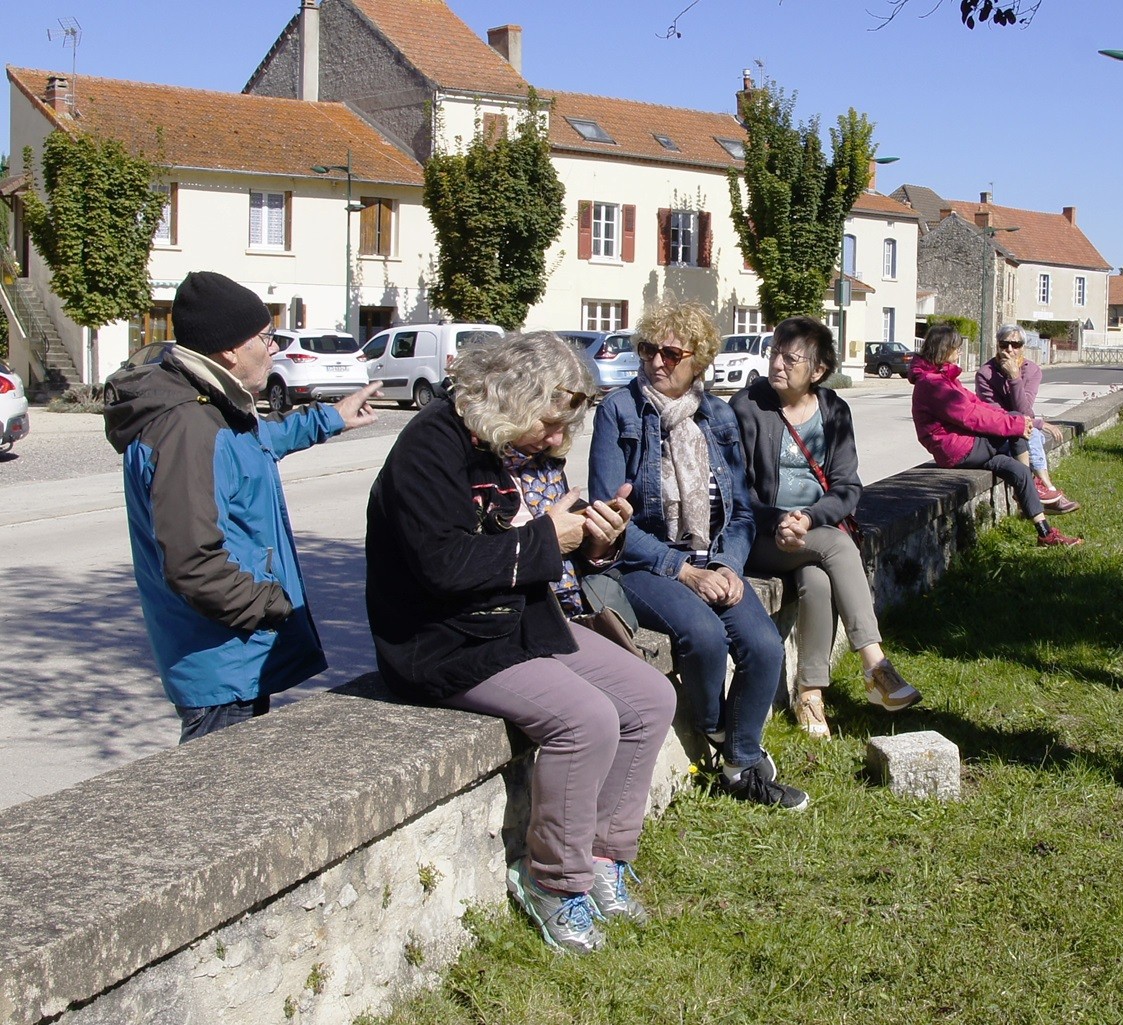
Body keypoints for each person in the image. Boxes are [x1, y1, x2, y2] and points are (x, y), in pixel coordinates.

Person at [366, 332, 677, 954]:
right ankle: (555, 885)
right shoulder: (429, 449)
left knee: (647, 699)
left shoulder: (502, 442)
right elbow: (443, 566)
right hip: (442, 643)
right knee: (586, 719)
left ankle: (602, 858)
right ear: (509, 398)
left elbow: (538, 548)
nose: (560, 440)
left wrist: (594, 541)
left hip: (513, 621)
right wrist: (547, 541)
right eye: (552, 424)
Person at [103, 271, 382, 743]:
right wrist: (272, 606)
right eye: (265, 337)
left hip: (235, 659)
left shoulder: (209, 408)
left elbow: (252, 444)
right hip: (222, 667)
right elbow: (193, 564)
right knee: (211, 805)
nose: (273, 348)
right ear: (231, 349)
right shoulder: (188, 429)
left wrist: (328, 418)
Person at [589, 300, 810, 811]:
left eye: (670, 352)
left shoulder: (718, 416)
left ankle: (737, 764)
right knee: (705, 636)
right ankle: (725, 738)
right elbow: (610, 519)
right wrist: (684, 571)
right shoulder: (618, 412)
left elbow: (741, 513)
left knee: (765, 647)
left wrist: (729, 566)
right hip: (644, 561)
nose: (655, 362)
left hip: (713, 557)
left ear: (699, 361)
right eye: (647, 349)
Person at [730, 316, 921, 739]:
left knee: (816, 583)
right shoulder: (747, 407)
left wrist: (810, 517)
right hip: (761, 536)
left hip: (810, 533)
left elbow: (848, 485)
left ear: (817, 371)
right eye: (775, 352)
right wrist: (779, 520)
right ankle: (875, 665)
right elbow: (735, 492)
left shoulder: (834, 410)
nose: (777, 363)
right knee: (835, 545)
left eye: (790, 357)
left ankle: (810, 693)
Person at [908, 323, 1083, 547]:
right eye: (956, 347)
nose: (960, 352)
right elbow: (972, 416)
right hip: (957, 450)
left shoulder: (944, 379)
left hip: (967, 446)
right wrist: (1017, 424)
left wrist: (1024, 422)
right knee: (1015, 428)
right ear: (944, 349)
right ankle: (1034, 486)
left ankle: (1045, 533)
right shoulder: (933, 385)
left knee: (1017, 469)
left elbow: (978, 405)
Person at [975, 324, 1079, 513]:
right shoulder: (985, 374)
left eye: (1015, 344)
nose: (1009, 349)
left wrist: (1014, 377)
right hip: (999, 433)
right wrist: (1038, 423)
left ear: (1023, 346)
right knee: (1033, 434)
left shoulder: (1031, 371)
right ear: (997, 346)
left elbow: (1024, 410)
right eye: (1004, 344)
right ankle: (1048, 490)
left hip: (1021, 431)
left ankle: (1040, 492)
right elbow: (998, 415)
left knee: (1032, 435)